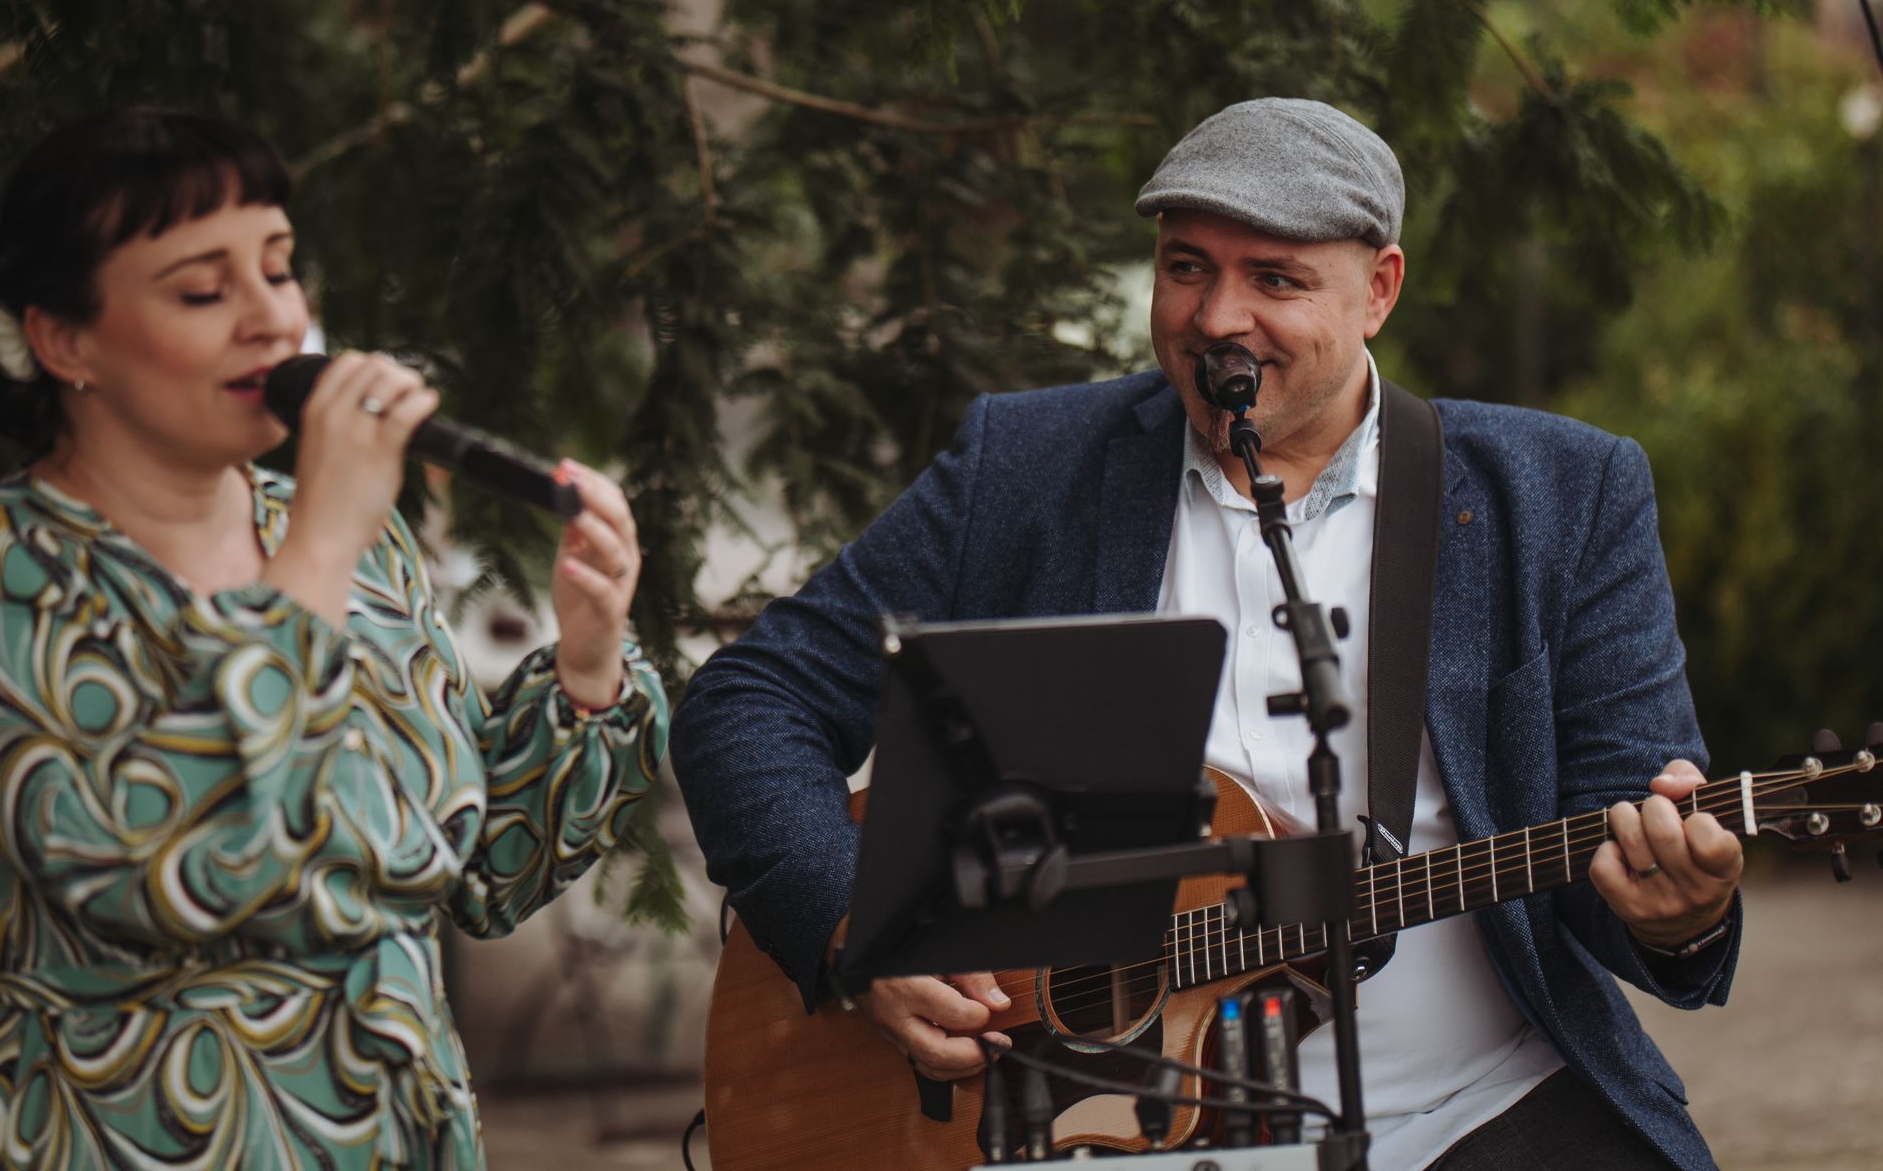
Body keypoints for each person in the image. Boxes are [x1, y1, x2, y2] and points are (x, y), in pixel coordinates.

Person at [671, 99, 1744, 1169]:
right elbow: (747, 702)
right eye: (1185, 267)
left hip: (1480, 1109)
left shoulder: (1561, 494)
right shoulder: (1026, 469)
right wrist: (857, 927)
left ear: (1378, 289)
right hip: (1065, 1128)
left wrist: (1673, 913)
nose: (1214, 317)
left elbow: (1626, 839)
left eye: (1273, 278)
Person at [0, 108, 669, 1168]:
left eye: (281, 269)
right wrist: (319, 549)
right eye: (203, 289)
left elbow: (473, 874)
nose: (270, 319)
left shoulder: (359, 549)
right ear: (65, 341)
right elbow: (158, 865)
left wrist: (583, 668)